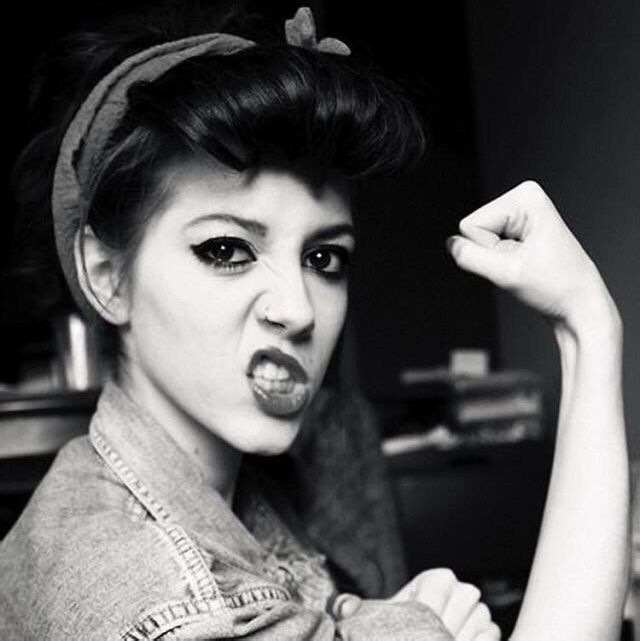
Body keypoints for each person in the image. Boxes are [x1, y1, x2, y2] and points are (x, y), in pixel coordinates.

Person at [0, 3, 629, 640]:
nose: (298, 311)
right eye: (227, 250)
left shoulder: (234, 496)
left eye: (324, 258)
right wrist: (587, 326)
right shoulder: (163, 605)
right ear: (107, 276)